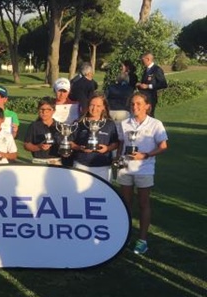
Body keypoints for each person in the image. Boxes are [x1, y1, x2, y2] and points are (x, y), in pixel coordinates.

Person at [116, 92, 168, 255]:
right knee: (125, 203)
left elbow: (163, 146)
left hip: (144, 168)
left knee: (143, 204)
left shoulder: (155, 124)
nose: (135, 107)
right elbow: (121, 144)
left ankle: (142, 240)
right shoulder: (124, 123)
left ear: (148, 106)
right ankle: (126, 236)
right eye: (132, 104)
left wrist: (145, 155)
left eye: (139, 104)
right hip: (125, 168)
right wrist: (117, 160)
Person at [70, 95, 119, 181]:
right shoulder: (79, 123)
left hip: (103, 166)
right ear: (88, 105)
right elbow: (70, 142)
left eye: (98, 106)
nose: (94, 108)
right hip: (81, 165)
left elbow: (116, 143)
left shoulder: (109, 124)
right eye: (92, 105)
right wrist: (79, 147)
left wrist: (107, 148)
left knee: (102, 194)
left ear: (104, 107)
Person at [23, 97, 61, 165]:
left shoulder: (60, 126)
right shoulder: (34, 126)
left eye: (48, 110)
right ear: (38, 110)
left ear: (54, 111)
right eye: (42, 109)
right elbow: (26, 145)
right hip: (39, 161)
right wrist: (38, 147)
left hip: (56, 161)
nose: (44, 112)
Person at [52, 77, 80, 167]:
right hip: (55, 142)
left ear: (68, 92)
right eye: (59, 91)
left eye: (65, 91)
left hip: (72, 141)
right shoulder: (49, 104)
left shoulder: (76, 105)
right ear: (55, 91)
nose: (62, 94)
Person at [136, 52, 167, 117]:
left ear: (147, 59)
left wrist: (148, 86)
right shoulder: (146, 70)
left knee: (150, 116)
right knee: (144, 116)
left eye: (142, 59)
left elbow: (163, 84)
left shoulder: (156, 69)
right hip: (143, 97)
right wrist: (140, 85)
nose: (141, 61)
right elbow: (146, 82)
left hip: (151, 97)